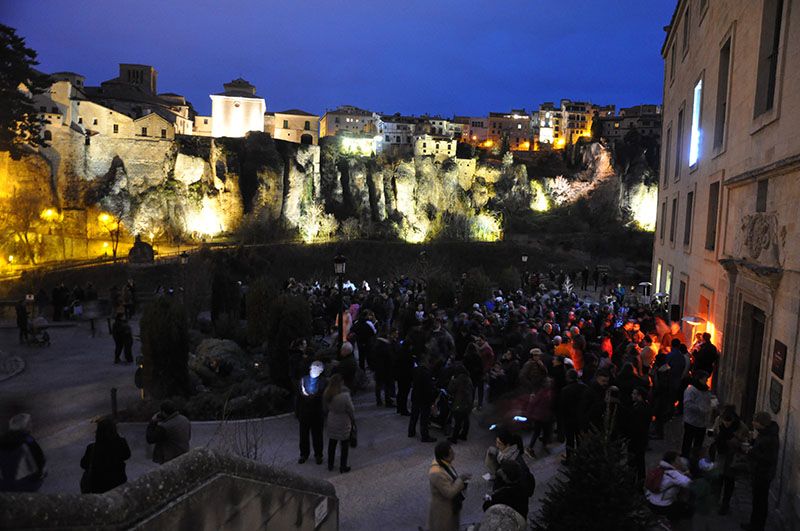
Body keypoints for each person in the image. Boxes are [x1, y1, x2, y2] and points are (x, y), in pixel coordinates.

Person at [743, 411, 779, 531]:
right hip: (759, 471)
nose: (753, 423)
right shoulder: (764, 433)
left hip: (763, 474)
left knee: (760, 501)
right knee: (757, 500)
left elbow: (768, 458)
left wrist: (751, 452)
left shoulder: (770, 438)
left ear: (761, 423)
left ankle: (757, 526)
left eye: (755, 421)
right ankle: (754, 524)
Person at [711, 406, 749, 515]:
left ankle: (725, 504)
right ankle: (715, 501)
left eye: (729, 421)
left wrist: (735, 440)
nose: (727, 424)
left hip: (732, 457)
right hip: (720, 454)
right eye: (725, 421)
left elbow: (744, 440)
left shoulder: (741, 426)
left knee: (729, 481)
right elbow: (714, 432)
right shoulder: (718, 421)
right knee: (718, 479)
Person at [80, 418, 131, 493]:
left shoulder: (92, 448)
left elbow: (83, 464)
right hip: (118, 481)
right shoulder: (121, 442)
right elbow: (127, 455)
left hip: (99, 485)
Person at [428, 441, 470, 531]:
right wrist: (460, 480)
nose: (454, 454)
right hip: (444, 510)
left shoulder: (444, 462)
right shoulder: (437, 473)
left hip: (451, 506)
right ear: (444, 456)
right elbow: (449, 493)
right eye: (451, 453)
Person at [0, 413, 46, 492]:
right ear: (25, 426)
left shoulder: (1, 440)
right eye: (30, 423)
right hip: (24, 485)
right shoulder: (29, 441)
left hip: (3, 485)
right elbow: (40, 460)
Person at [645, 451, 693, 520]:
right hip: (662, 507)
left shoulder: (659, 467)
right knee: (689, 510)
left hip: (650, 502)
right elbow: (690, 484)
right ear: (672, 462)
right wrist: (687, 471)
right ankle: (672, 522)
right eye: (678, 460)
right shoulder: (674, 474)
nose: (680, 462)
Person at [323, 374, 355, 473]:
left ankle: (330, 464)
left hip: (332, 419)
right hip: (343, 421)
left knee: (332, 444)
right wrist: (353, 420)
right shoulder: (345, 396)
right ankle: (343, 466)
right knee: (344, 445)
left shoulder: (327, 394)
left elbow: (325, 408)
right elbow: (351, 410)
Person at [297, 361, 326, 465]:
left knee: (317, 435)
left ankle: (318, 454)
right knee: (303, 435)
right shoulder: (303, 380)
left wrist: (310, 397)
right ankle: (304, 454)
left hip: (317, 412)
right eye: (313, 368)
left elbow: (321, 394)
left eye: (317, 368)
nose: (314, 370)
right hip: (304, 412)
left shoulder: (323, 381)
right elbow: (299, 396)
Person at [681, 371, 710, 458]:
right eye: (705, 379)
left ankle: (695, 459)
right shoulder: (691, 390)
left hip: (702, 422)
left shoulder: (705, 390)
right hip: (691, 421)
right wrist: (701, 409)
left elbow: (707, 401)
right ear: (700, 379)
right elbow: (688, 404)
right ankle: (685, 458)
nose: (707, 380)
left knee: (698, 444)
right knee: (688, 441)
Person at [409, 355, 437, 442]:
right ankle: (424, 436)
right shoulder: (427, 373)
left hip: (415, 396)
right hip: (424, 399)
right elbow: (429, 389)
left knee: (414, 415)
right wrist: (432, 399)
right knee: (424, 418)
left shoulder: (416, 370)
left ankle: (411, 431)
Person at [526, 377, 554, 458]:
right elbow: (533, 404)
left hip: (545, 416)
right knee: (537, 432)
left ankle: (544, 445)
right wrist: (529, 414)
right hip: (540, 416)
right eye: (549, 383)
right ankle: (530, 448)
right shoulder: (542, 393)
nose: (550, 384)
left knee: (545, 432)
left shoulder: (549, 392)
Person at [447, 364, 473, 443]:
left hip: (459, 403)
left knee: (457, 421)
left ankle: (454, 438)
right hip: (468, 403)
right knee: (465, 419)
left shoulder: (458, 379)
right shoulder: (468, 379)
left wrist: (452, 380)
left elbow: (450, 389)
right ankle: (463, 435)